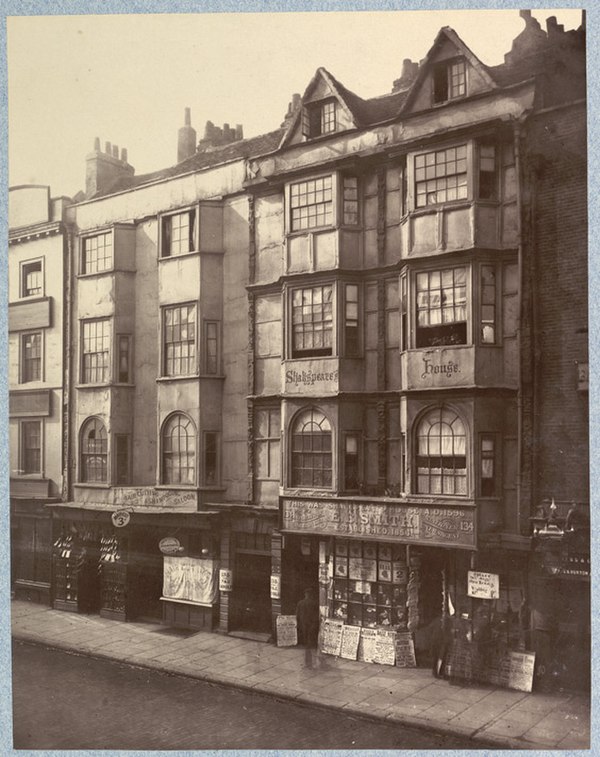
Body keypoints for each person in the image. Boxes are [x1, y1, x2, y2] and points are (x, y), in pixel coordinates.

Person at [296, 587, 321, 669]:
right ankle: (312, 664)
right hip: (312, 627)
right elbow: (317, 617)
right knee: (312, 646)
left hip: (304, 627)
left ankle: (308, 663)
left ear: (305, 594)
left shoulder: (300, 603)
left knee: (307, 645)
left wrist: (299, 625)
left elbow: (298, 616)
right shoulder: (314, 603)